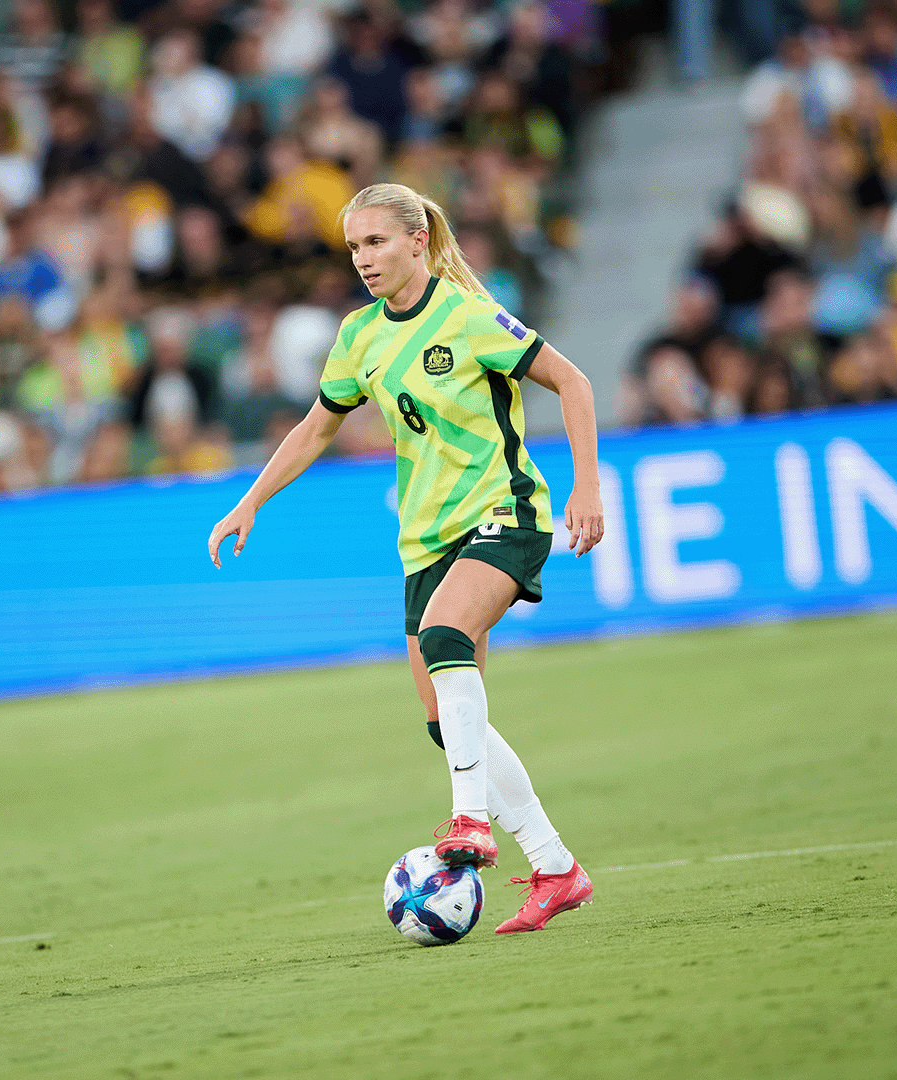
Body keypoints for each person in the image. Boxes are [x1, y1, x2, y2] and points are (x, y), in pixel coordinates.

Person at [206, 182, 603, 934]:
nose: (364, 259)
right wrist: (250, 501)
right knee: (445, 721)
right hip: (424, 540)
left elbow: (572, 382)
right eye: (354, 247)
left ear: (418, 241)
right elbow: (316, 429)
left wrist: (588, 484)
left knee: (448, 637)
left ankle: (469, 822)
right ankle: (555, 868)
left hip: (504, 513)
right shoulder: (359, 335)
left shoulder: (469, 316)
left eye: (377, 242)